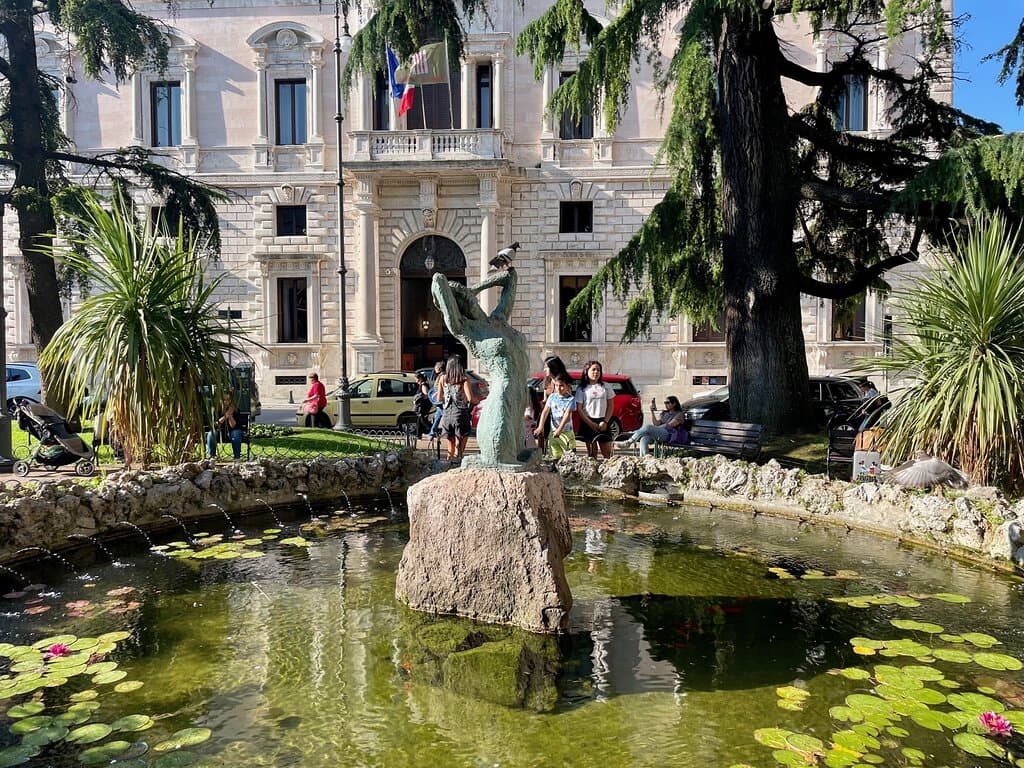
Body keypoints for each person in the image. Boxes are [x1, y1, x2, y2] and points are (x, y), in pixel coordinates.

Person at [621, 395, 691, 456]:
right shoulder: (664, 413)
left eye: (668, 403)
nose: (665, 404)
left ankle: (629, 442)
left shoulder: (679, 414)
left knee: (648, 427)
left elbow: (670, 425)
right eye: (665, 403)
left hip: (669, 435)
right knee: (644, 439)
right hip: (660, 433)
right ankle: (645, 458)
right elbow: (656, 423)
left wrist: (654, 428)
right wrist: (652, 412)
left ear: (674, 403)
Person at [576, 360, 615, 459]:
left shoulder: (606, 386)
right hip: (588, 422)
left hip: (603, 422)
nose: (596, 372)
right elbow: (579, 409)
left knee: (607, 453)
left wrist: (605, 421)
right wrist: (590, 423)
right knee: (592, 455)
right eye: (593, 370)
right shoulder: (581, 389)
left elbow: (611, 405)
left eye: (598, 370)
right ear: (587, 371)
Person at [437, 356, 473, 461]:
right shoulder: (463, 379)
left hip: (447, 414)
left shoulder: (442, 378)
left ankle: (449, 462)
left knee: (450, 444)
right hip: (461, 413)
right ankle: (459, 458)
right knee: (463, 434)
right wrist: (478, 400)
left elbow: (438, 398)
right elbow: (470, 398)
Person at [533, 372, 576, 458]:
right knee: (555, 454)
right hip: (553, 431)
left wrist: (559, 430)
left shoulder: (571, 399)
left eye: (561, 386)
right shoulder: (552, 397)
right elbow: (545, 411)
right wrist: (541, 426)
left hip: (566, 432)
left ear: (568, 386)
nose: (559, 388)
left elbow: (566, 416)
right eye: (556, 385)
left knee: (569, 456)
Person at [538, 355, 569, 453]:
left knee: (558, 443)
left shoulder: (563, 382)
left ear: (553, 367)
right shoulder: (547, 382)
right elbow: (545, 400)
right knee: (542, 438)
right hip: (546, 415)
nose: (544, 369)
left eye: (546, 367)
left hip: (559, 417)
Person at [207, 391, 246, 462]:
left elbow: (233, 426)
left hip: (233, 431)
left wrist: (230, 416)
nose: (226, 402)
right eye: (224, 399)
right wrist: (225, 416)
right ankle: (211, 458)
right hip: (220, 431)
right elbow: (216, 425)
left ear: (231, 400)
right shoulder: (216, 410)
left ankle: (237, 458)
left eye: (228, 400)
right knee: (211, 434)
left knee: (236, 434)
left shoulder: (235, 410)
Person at [426, 361, 445, 439]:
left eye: (436, 367)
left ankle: (433, 433)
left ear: (439, 368)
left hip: (441, 399)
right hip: (440, 400)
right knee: (437, 416)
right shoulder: (441, 376)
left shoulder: (442, 376)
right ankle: (432, 432)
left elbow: (440, 388)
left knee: (440, 415)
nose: (434, 369)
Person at [413, 372, 433, 437]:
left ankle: (432, 430)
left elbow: (426, 394)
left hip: (424, 405)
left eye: (416, 379)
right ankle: (418, 434)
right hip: (422, 405)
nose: (416, 381)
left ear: (420, 379)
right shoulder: (422, 384)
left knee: (422, 419)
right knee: (419, 419)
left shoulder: (424, 385)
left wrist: (419, 397)